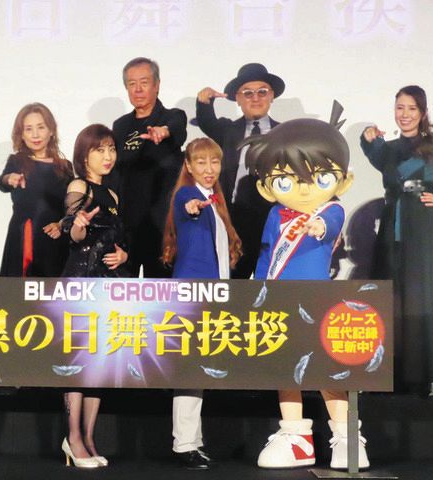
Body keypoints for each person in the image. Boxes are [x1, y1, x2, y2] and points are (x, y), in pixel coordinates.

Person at [243, 108, 369, 470]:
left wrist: (317, 228)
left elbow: (329, 225)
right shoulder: (275, 216)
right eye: (287, 179)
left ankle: (346, 436)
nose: (302, 187)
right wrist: (257, 288)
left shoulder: (330, 210)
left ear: (342, 180)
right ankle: (295, 435)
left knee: (325, 370)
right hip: (278, 300)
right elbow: (267, 253)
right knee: (285, 367)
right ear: (266, 187)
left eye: (318, 176)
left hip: (316, 302)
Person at [361, 85, 433, 395]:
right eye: (400, 107)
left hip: (426, 231)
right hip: (393, 227)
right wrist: (368, 137)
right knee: (392, 299)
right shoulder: (388, 149)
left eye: (412, 108)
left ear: (423, 113)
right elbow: (375, 153)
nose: (405, 114)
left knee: (425, 298)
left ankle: (431, 377)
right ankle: (394, 376)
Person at [162, 137, 241, 470]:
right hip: (192, 295)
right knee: (190, 370)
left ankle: (192, 441)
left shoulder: (215, 200)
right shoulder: (188, 194)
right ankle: (184, 445)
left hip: (211, 295)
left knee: (197, 372)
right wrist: (192, 207)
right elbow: (186, 206)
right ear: (189, 166)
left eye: (215, 162)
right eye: (201, 162)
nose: (209, 169)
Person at [60, 124, 129, 469]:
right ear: (84, 155)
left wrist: (124, 255)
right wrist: (78, 226)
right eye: (99, 149)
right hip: (81, 281)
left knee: (100, 364)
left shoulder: (113, 195)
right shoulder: (79, 186)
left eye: (111, 149)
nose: (107, 156)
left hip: (108, 283)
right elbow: (72, 231)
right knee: (78, 360)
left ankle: (88, 437)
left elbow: (116, 240)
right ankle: (72, 438)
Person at [196, 63, 284, 279]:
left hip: (274, 218)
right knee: (234, 283)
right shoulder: (228, 130)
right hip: (236, 218)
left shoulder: (286, 133)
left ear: (272, 96)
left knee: (272, 285)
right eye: (248, 93)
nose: (255, 98)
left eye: (262, 92)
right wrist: (204, 102)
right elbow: (207, 122)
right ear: (237, 98)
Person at [111, 57, 187, 278]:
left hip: (162, 225)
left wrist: (164, 131)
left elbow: (176, 129)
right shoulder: (120, 125)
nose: (138, 89)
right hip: (128, 225)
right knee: (123, 290)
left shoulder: (172, 116)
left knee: (163, 291)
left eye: (144, 82)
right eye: (132, 84)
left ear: (157, 85)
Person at [0, 103, 72, 277]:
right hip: (25, 236)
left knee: (53, 289)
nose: (35, 135)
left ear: (51, 131)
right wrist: (10, 178)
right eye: (28, 129)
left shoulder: (65, 166)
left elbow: (71, 206)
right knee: (19, 288)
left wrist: (61, 225)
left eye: (41, 127)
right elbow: (1, 182)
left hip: (54, 237)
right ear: (21, 134)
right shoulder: (17, 161)